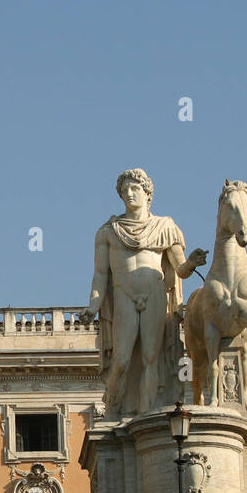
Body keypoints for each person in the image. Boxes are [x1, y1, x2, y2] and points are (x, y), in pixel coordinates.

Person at [88, 167, 207, 417]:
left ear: (147, 193)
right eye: (124, 190)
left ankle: (145, 415)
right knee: (121, 360)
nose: (129, 194)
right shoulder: (108, 231)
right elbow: (100, 275)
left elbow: (180, 269)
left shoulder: (165, 227)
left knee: (151, 357)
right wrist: (93, 306)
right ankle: (113, 409)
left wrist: (192, 263)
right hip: (124, 296)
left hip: (155, 295)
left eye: (134, 189)